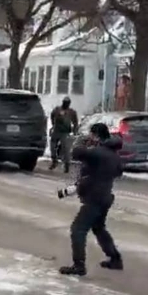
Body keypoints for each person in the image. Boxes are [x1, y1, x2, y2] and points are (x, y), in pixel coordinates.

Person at [60, 122, 123, 276]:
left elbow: (76, 152)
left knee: (78, 229)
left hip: (94, 198)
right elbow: (118, 172)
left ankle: (79, 265)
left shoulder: (99, 153)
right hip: (105, 197)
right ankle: (115, 259)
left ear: (95, 136)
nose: (90, 137)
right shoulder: (113, 154)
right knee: (98, 228)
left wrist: (82, 141)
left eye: (91, 135)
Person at [49, 97, 78, 173]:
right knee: (52, 147)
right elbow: (52, 115)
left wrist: (75, 130)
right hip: (56, 131)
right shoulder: (57, 109)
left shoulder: (71, 112)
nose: (66, 104)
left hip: (65, 132)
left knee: (65, 149)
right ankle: (54, 160)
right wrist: (53, 123)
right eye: (65, 102)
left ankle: (66, 164)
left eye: (67, 102)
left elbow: (75, 122)